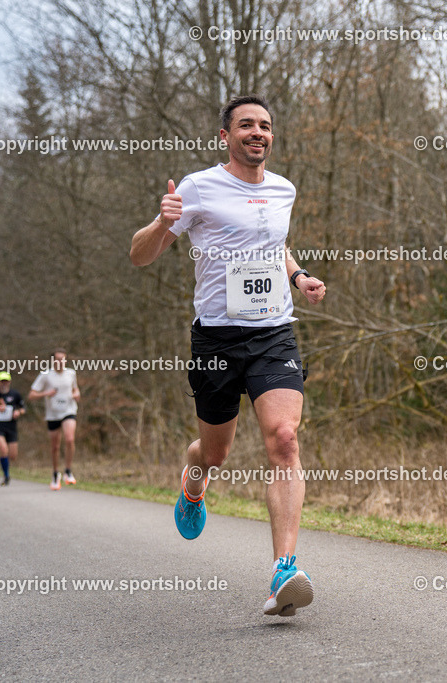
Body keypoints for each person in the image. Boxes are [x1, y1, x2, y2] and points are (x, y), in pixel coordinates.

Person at [130, 94, 326, 617]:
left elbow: (274, 245)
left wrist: (299, 276)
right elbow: (140, 256)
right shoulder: (198, 188)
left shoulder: (283, 189)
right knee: (214, 453)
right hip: (216, 340)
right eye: (246, 125)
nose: (257, 132)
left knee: (284, 439)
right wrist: (161, 223)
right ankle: (194, 483)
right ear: (226, 136)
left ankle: (284, 570)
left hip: (274, 333)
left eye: (265, 125)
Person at [28, 349, 80, 490]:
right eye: (57, 359)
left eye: (63, 359)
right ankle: (55, 473)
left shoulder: (71, 373)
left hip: (68, 410)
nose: (60, 362)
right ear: (52, 361)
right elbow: (31, 395)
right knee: (55, 446)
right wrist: (46, 393)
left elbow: (75, 389)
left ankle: (68, 471)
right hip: (52, 414)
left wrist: (77, 394)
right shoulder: (45, 375)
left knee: (69, 439)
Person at [0, 371, 25, 486]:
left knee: (12, 455)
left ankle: (5, 466)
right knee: (3, 449)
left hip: (11, 427)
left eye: (6, 381)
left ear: (9, 382)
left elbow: (23, 408)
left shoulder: (15, 394)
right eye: (2, 381)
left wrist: (18, 412)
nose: (4, 383)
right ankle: (6, 475)